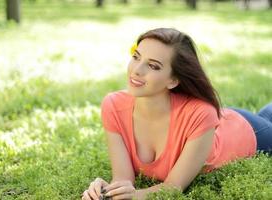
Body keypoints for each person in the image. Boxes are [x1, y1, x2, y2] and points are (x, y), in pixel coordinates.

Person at [81, 28, 272, 200]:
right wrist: (105, 191)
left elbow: (173, 188)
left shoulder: (201, 113)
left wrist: (136, 196)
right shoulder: (113, 105)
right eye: (136, 57)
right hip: (215, 122)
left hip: (249, 131)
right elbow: (123, 179)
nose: (137, 70)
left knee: (267, 118)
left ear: (173, 80)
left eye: (153, 66)